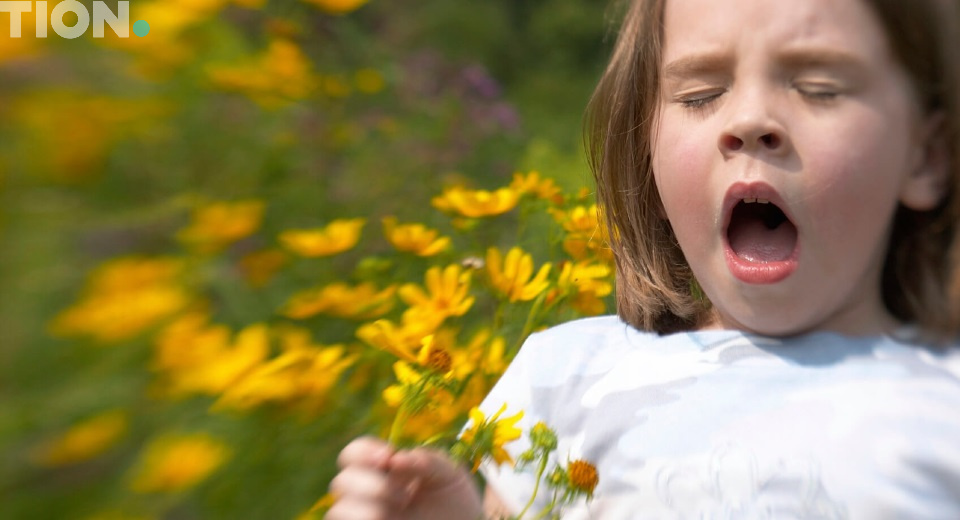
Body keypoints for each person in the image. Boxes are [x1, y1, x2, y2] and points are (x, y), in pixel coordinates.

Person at [327, 0, 960, 517]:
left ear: (926, 155)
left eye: (819, 87)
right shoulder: (566, 377)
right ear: (645, 145)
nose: (748, 120)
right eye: (700, 93)